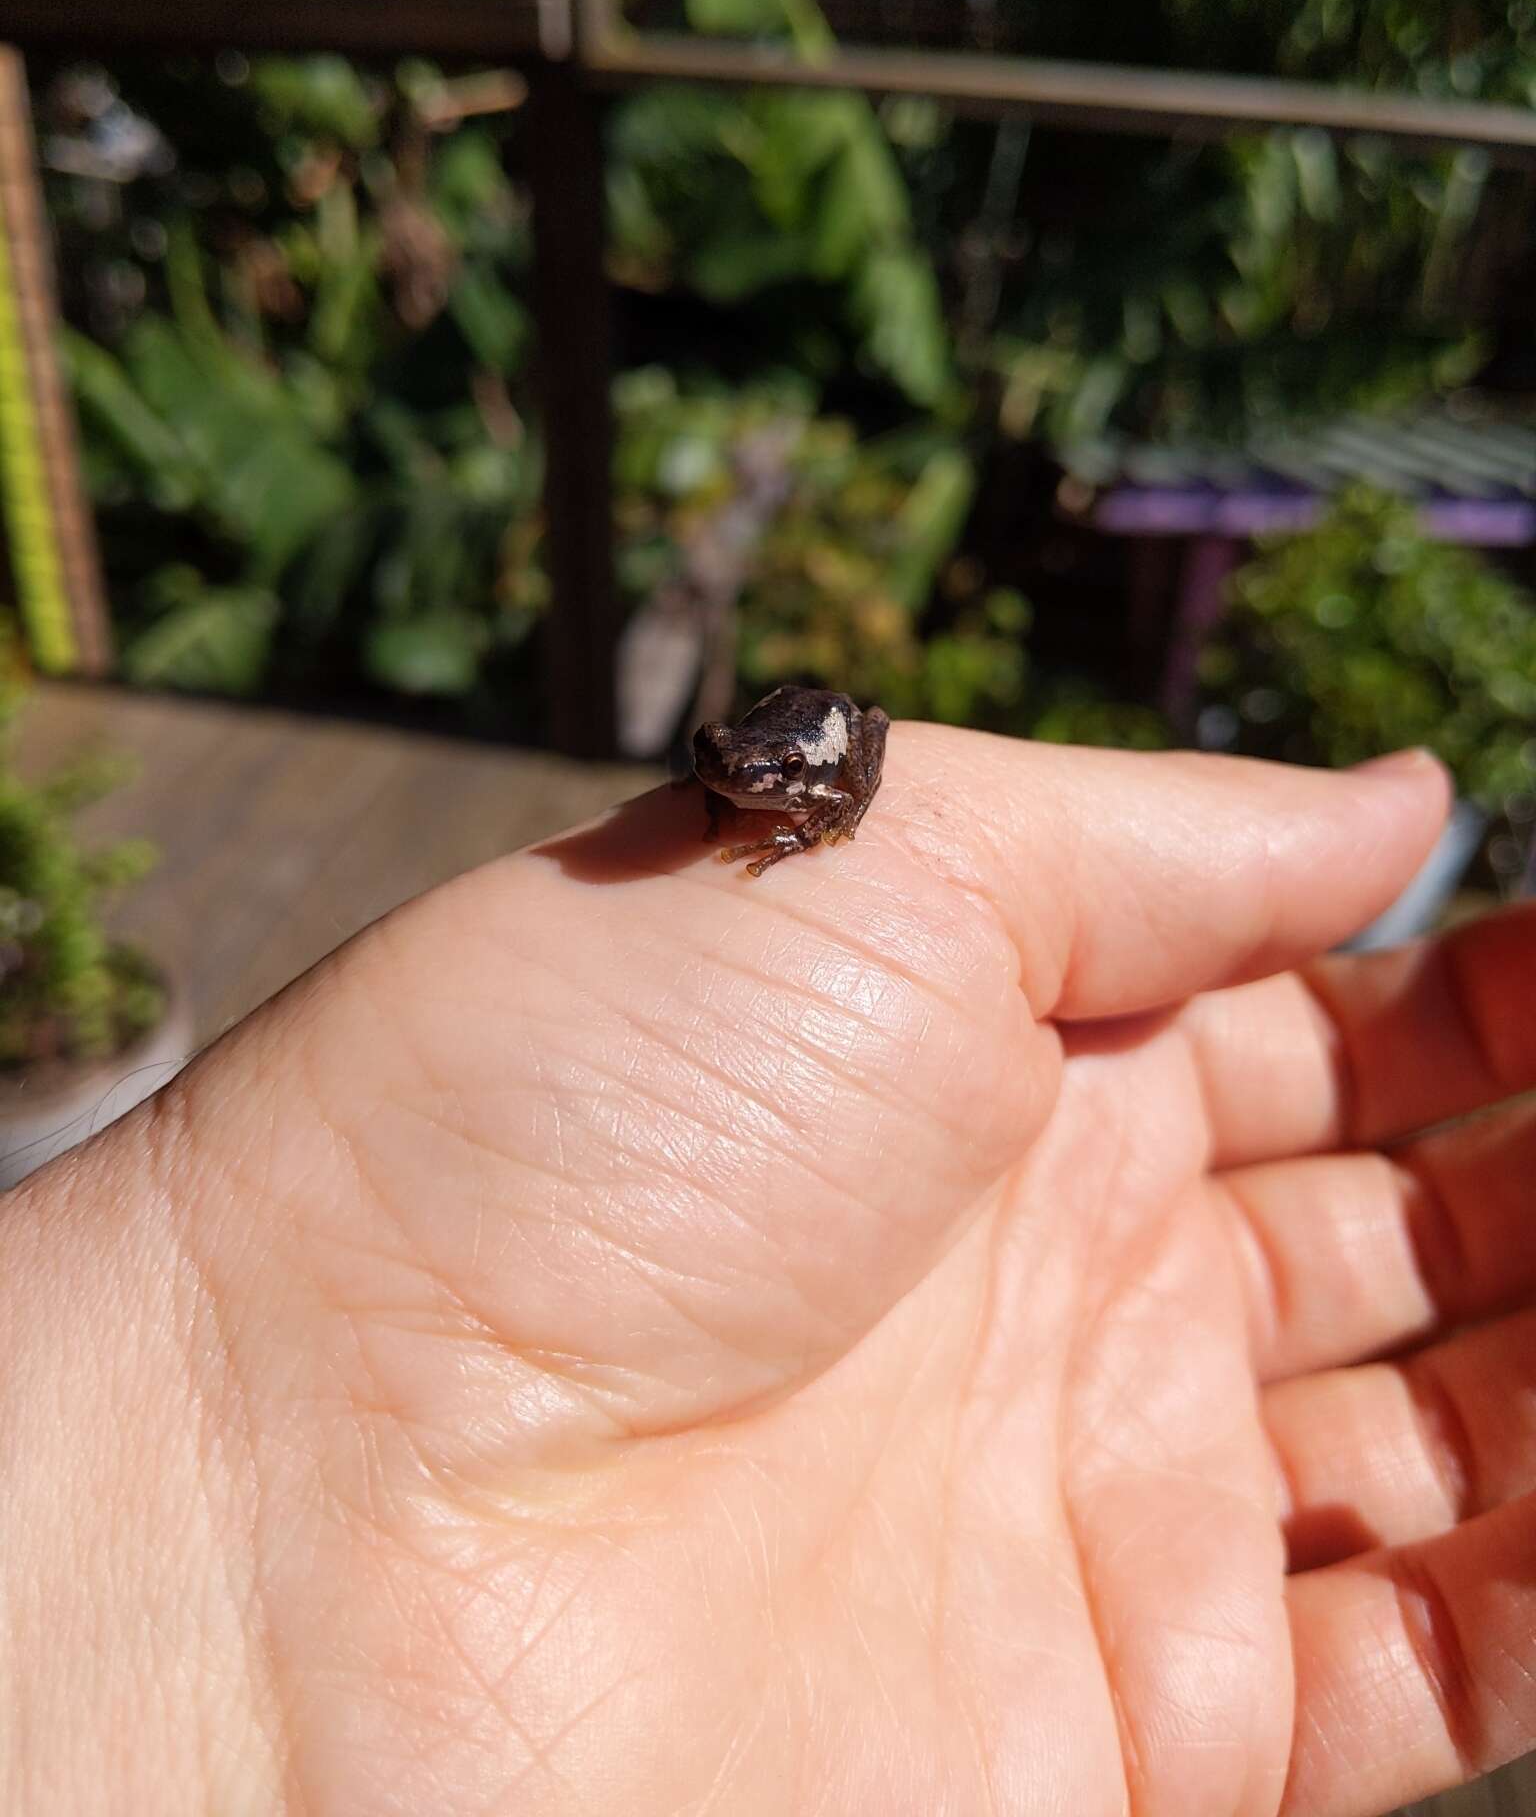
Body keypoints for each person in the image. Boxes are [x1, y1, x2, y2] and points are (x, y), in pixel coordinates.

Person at [2, 728, 1533, 1817]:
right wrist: (199, 1361)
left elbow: (844, 764)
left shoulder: (807, 785)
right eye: (721, 772)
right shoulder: (732, 793)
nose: (727, 792)